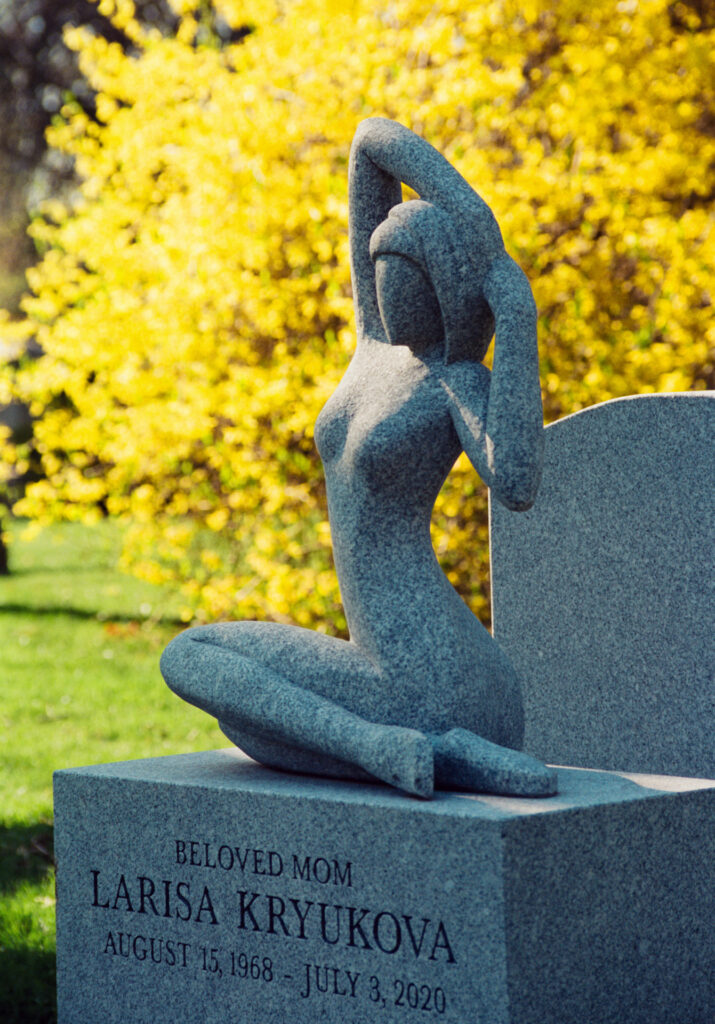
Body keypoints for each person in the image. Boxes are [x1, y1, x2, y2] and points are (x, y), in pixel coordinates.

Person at [160, 118, 556, 799]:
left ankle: (386, 745)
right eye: (380, 272)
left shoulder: (456, 380)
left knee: (251, 710)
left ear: (441, 288)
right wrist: (471, 211)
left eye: (405, 277)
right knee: (212, 680)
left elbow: (516, 482)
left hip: (433, 663)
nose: (387, 290)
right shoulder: (372, 348)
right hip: (380, 661)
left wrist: (512, 313)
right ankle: (414, 752)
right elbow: (371, 143)